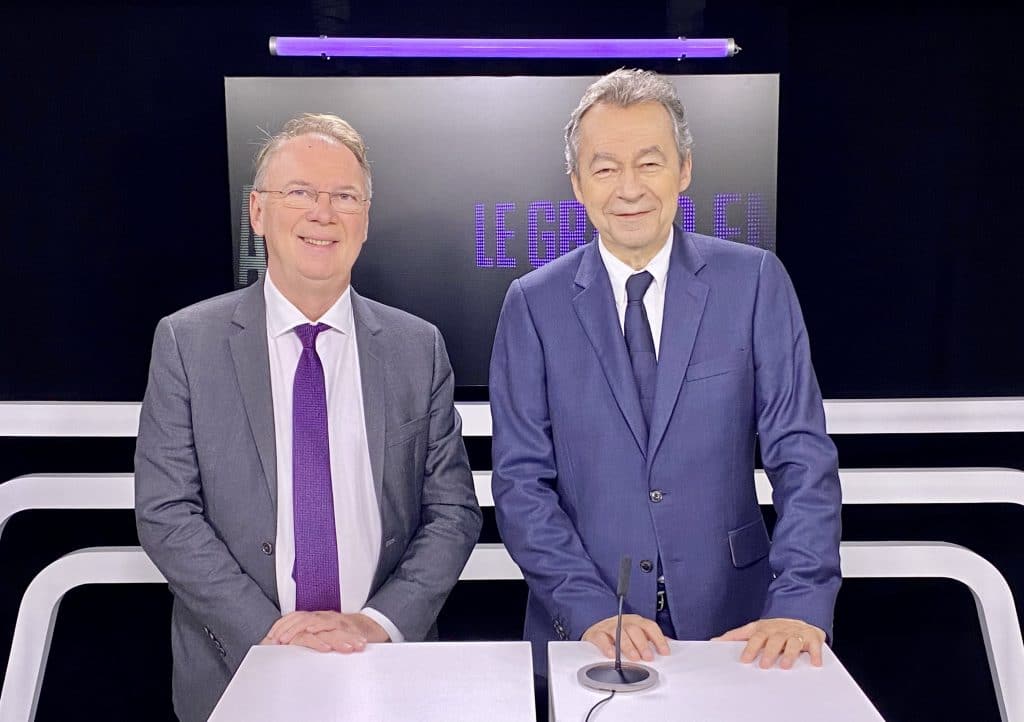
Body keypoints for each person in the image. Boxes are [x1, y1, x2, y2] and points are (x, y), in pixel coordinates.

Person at [490, 69, 841, 680]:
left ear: (684, 170)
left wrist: (799, 602)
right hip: (585, 636)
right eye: (605, 168)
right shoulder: (532, 304)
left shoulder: (754, 282)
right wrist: (589, 609)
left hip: (740, 628)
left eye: (649, 164)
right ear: (577, 184)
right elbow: (521, 483)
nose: (629, 188)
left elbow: (802, 456)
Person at [135, 113, 482, 722]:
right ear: (258, 211)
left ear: (365, 220)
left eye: (344, 197)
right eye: (299, 192)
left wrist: (378, 622)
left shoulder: (417, 348)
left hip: (385, 666)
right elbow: (166, 512)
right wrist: (270, 633)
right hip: (236, 667)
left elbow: (453, 513)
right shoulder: (187, 343)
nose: (323, 213)